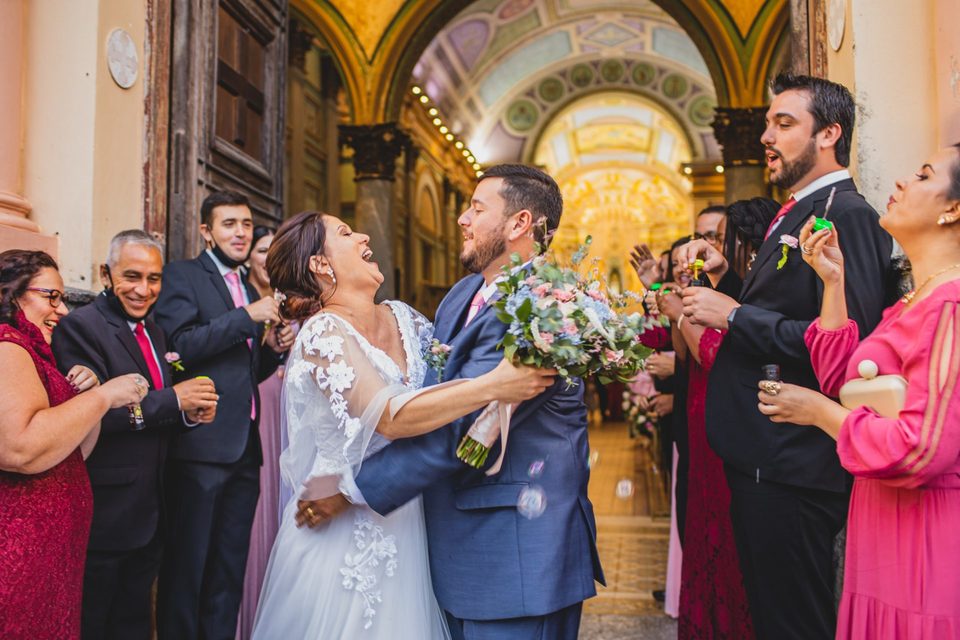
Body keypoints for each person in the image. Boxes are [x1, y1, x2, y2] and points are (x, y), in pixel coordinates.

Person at [294, 164, 604, 640]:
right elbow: (431, 393)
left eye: (477, 209)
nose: (462, 218)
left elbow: (461, 429)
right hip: (448, 542)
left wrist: (350, 489)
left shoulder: (541, 307)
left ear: (519, 223)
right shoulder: (462, 295)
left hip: (514, 549)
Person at [249, 210, 556, 639]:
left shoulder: (405, 318)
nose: (363, 236)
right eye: (345, 233)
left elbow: (446, 393)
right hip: (340, 532)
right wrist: (494, 385)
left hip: (409, 515)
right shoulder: (322, 333)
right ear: (320, 263)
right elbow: (391, 417)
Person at [678, 73, 893, 639]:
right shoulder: (799, 209)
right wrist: (731, 286)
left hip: (792, 460)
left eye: (783, 123)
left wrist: (734, 315)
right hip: (764, 457)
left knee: (793, 623)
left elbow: (850, 340)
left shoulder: (846, 214)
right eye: (768, 124)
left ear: (829, 133)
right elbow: (790, 306)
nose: (766, 138)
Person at [759, 145, 960, 638]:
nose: (902, 181)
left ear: (953, 208)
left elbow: (920, 449)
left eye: (923, 175)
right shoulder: (916, 299)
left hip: (923, 529)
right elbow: (840, 381)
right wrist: (834, 282)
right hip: (880, 519)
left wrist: (820, 414)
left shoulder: (950, 305)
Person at [50, 231, 218, 640]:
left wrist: (189, 413)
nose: (144, 290)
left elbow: (158, 410)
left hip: (152, 509)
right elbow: (88, 416)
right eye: (132, 276)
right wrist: (173, 399)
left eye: (154, 278)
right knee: (93, 624)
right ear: (106, 274)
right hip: (105, 512)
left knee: (134, 625)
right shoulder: (80, 327)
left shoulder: (156, 333)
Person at [153, 191, 292, 640]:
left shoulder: (248, 287)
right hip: (200, 446)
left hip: (244, 450)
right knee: (188, 570)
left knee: (227, 571)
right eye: (229, 224)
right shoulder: (183, 276)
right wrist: (247, 317)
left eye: (246, 224)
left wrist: (272, 350)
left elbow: (245, 372)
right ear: (206, 231)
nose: (241, 233)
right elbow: (179, 347)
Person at [0, 249, 146, 639]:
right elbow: (21, 448)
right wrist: (103, 397)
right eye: (51, 296)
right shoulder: (7, 346)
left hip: (50, 551)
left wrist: (84, 397)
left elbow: (75, 452)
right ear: (10, 293)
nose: (62, 310)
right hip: (20, 550)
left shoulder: (35, 353)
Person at [668, 200, 777, 638]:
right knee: (700, 530)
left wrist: (680, 314)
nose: (704, 246)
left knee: (728, 541)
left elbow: (714, 355)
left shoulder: (751, 293)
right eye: (701, 237)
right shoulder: (719, 286)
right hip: (700, 423)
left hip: (730, 432)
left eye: (715, 237)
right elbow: (685, 356)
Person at [236, 224, 286, 640]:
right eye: (261, 250)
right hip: (260, 400)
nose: (268, 259)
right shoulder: (243, 301)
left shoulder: (299, 300)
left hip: (290, 405)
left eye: (275, 251)